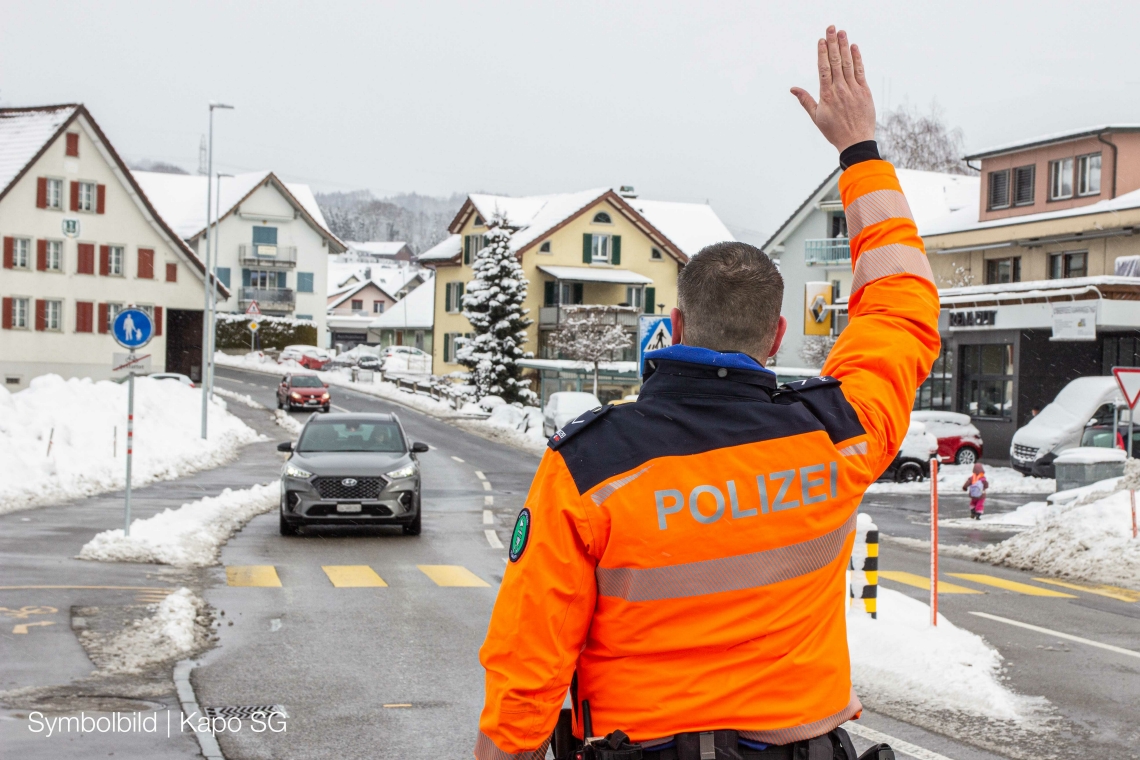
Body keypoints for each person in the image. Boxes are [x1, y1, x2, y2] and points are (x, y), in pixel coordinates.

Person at [474, 25, 940, 760]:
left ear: (677, 324)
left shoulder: (586, 470)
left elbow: (528, 666)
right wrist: (859, 152)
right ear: (778, 334)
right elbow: (901, 305)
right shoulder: (840, 435)